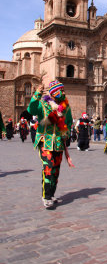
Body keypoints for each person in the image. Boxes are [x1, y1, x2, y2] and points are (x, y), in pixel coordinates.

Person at [27, 80, 74, 209]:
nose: (64, 93)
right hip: (44, 141)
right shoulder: (43, 104)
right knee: (48, 166)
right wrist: (37, 94)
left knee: (56, 170)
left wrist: (66, 132)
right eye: (61, 91)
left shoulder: (66, 107)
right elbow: (31, 109)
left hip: (58, 142)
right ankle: (46, 196)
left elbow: (69, 122)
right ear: (54, 93)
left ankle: (52, 194)